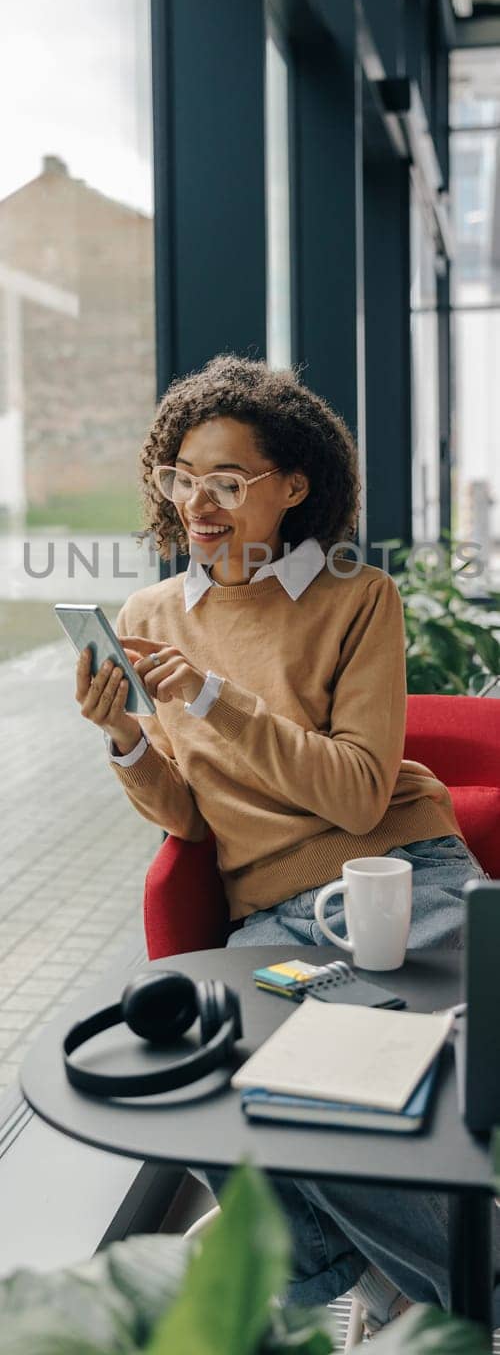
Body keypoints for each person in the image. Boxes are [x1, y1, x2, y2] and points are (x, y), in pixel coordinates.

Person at [75, 351, 491, 1335]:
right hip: (267, 913)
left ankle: (422, 1288)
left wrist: (211, 696)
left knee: (401, 1087)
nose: (197, 500)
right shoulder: (149, 618)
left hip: (398, 873)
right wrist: (127, 735)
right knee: (222, 1091)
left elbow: (353, 795)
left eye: (227, 478)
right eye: (181, 476)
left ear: (293, 486)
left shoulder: (354, 599)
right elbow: (187, 813)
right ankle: (395, 1277)